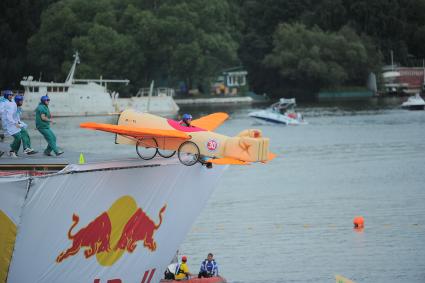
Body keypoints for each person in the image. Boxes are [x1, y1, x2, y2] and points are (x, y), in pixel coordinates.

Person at [2, 92, 37, 157]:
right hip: (9, 125)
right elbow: (9, 116)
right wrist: (15, 124)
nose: (22, 102)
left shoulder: (18, 107)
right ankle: (15, 150)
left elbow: (17, 118)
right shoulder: (13, 106)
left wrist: (20, 123)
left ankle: (20, 149)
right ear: (17, 101)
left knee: (23, 133)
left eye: (22, 101)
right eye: (21, 101)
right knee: (19, 137)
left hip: (14, 124)